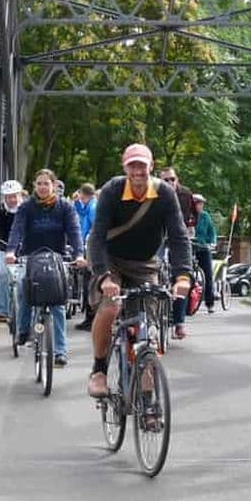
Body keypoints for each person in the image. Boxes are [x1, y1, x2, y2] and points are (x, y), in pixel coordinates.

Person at [86, 143, 191, 398]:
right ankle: (99, 370)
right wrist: (103, 276)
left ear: (151, 167)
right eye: (132, 165)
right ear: (125, 167)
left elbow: (178, 236)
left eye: (142, 165)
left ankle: (147, 400)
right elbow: (97, 236)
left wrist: (183, 276)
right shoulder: (112, 191)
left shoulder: (165, 193)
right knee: (111, 307)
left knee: (147, 329)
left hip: (145, 264)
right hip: (112, 260)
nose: (137, 171)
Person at [6, 168, 85, 368]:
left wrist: (79, 254)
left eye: (46, 183)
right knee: (25, 292)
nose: (42, 187)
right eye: (39, 183)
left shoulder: (64, 207)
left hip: (56, 258)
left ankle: (60, 351)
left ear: (54, 185)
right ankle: (23, 330)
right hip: (31, 257)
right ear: (34, 186)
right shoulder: (27, 208)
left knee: (58, 303)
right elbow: (17, 229)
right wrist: (11, 251)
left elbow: (74, 231)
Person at [159, 166, 197, 335]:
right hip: (158, 235)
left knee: (182, 275)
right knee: (151, 267)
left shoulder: (186, 194)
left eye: (172, 179)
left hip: (178, 236)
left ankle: (179, 322)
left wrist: (189, 227)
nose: (169, 183)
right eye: (165, 180)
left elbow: (195, 214)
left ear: (177, 180)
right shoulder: (153, 192)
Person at [0, 180, 24, 322]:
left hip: (23, 250)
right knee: (3, 273)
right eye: (8, 196)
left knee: (24, 279)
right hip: (4, 248)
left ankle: (24, 310)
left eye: (14, 196)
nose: (12, 200)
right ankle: (2, 310)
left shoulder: (26, 210)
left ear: (19, 195)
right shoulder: (1, 211)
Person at [73, 183, 98, 331]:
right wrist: (76, 202)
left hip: (91, 247)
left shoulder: (94, 207)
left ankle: (91, 318)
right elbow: (82, 213)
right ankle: (89, 317)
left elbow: (96, 227)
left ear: (84, 193)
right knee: (88, 282)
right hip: (87, 246)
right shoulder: (90, 205)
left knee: (89, 283)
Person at [192, 194, 217, 313]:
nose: (199, 206)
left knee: (207, 275)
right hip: (191, 247)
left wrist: (212, 242)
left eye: (201, 204)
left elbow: (212, 232)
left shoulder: (205, 217)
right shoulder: (188, 216)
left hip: (203, 247)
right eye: (197, 203)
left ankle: (210, 303)